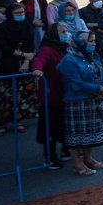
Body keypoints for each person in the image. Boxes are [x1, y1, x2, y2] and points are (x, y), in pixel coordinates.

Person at [57, 30, 103, 177]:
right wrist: (98, 88)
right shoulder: (69, 60)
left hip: (94, 99)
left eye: (93, 41)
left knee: (90, 132)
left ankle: (88, 159)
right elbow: (75, 83)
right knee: (77, 134)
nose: (93, 44)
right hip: (77, 101)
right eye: (90, 41)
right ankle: (78, 164)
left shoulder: (93, 56)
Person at [0, 2, 39, 135]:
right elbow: (4, 47)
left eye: (22, 13)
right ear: (10, 14)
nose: (21, 15)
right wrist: (22, 54)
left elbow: (31, 46)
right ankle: (4, 123)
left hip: (25, 63)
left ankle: (18, 122)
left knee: (22, 94)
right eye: (17, 13)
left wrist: (26, 61)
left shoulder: (27, 26)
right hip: (9, 63)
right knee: (5, 95)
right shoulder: (3, 27)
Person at [31, 22, 69, 169]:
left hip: (65, 93)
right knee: (50, 128)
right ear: (54, 34)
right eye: (63, 32)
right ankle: (50, 157)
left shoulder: (64, 48)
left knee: (65, 125)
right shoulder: (47, 49)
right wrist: (37, 70)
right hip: (51, 95)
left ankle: (67, 150)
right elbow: (39, 61)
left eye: (66, 31)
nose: (66, 34)